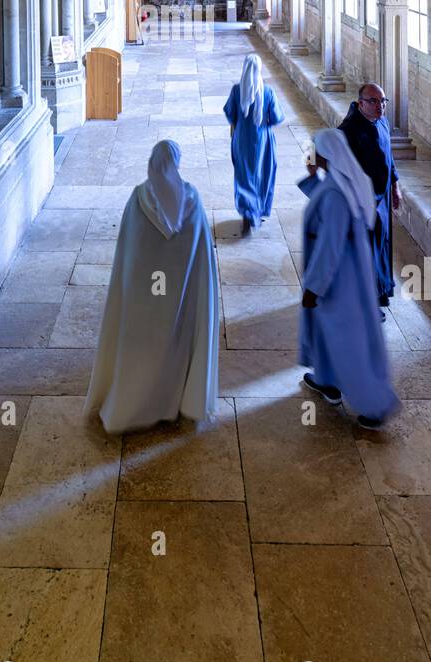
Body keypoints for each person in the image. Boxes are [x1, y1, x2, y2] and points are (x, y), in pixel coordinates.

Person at [84, 140, 220, 435]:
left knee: (140, 349)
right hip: (179, 298)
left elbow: (129, 251)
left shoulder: (138, 200)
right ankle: (171, 405)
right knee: (175, 348)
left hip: (143, 299)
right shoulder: (192, 200)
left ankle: (134, 406)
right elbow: (201, 258)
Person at [298, 128, 400, 429]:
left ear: (325, 155)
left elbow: (329, 246)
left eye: (313, 150)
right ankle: (326, 379)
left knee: (347, 340)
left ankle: (375, 405)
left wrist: (314, 288)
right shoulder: (345, 183)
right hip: (351, 273)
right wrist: (311, 176)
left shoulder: (334, 196)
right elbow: (327, 199)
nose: (310, 153)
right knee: (327, 331)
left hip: (337, 281)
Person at [338, 82, 403, 316]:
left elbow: (389, 156)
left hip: (382, 198)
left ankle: (379, 293)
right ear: (360, 103)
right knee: (366, 252)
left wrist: (395, 186)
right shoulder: (349, 130)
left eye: (383, 101)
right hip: (363, 201)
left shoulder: (381, 122)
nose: (380, 106)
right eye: (374, 101)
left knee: (381, 247)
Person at [223, 53, 284, 234]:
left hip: (242, 139)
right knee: (263, 174)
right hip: (263, 140)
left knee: (244, 176)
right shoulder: (268, 92)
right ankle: (258, 210)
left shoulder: (236, 90)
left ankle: (247, 212)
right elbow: (276, 118)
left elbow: (230, 114)